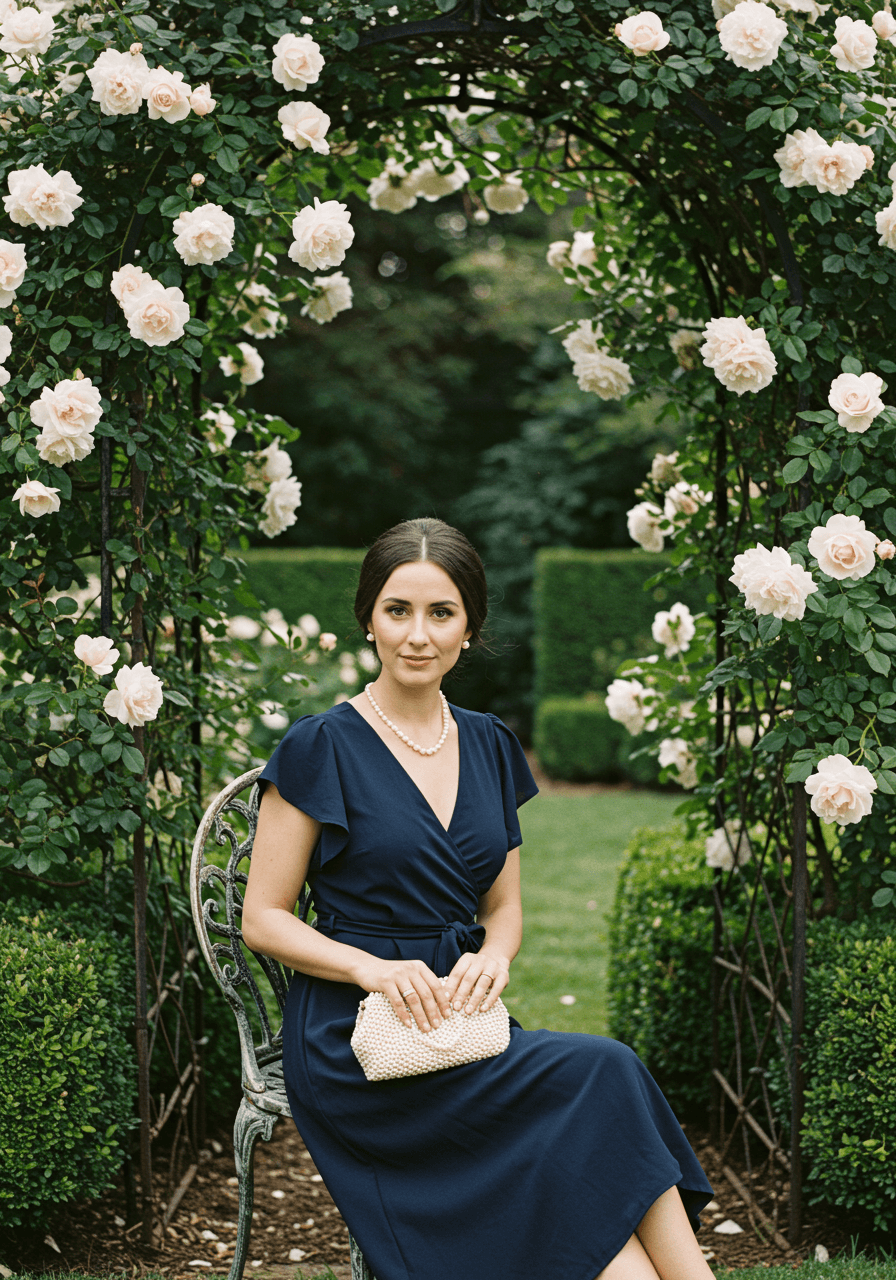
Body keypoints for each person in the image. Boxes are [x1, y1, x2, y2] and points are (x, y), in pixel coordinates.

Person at [242, 517, 714, 1280]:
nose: (418, 636)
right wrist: (371, 970)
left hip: (463, 1022)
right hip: (356, 1039)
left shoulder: (491, 742)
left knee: (609, 1076)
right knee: (602, 1073)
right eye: (398, 610)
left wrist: (494, 957)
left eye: (441, 613)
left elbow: (504, 909)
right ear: (368, 618)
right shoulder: (319, 745)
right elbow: (261, 918)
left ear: (470, 627)